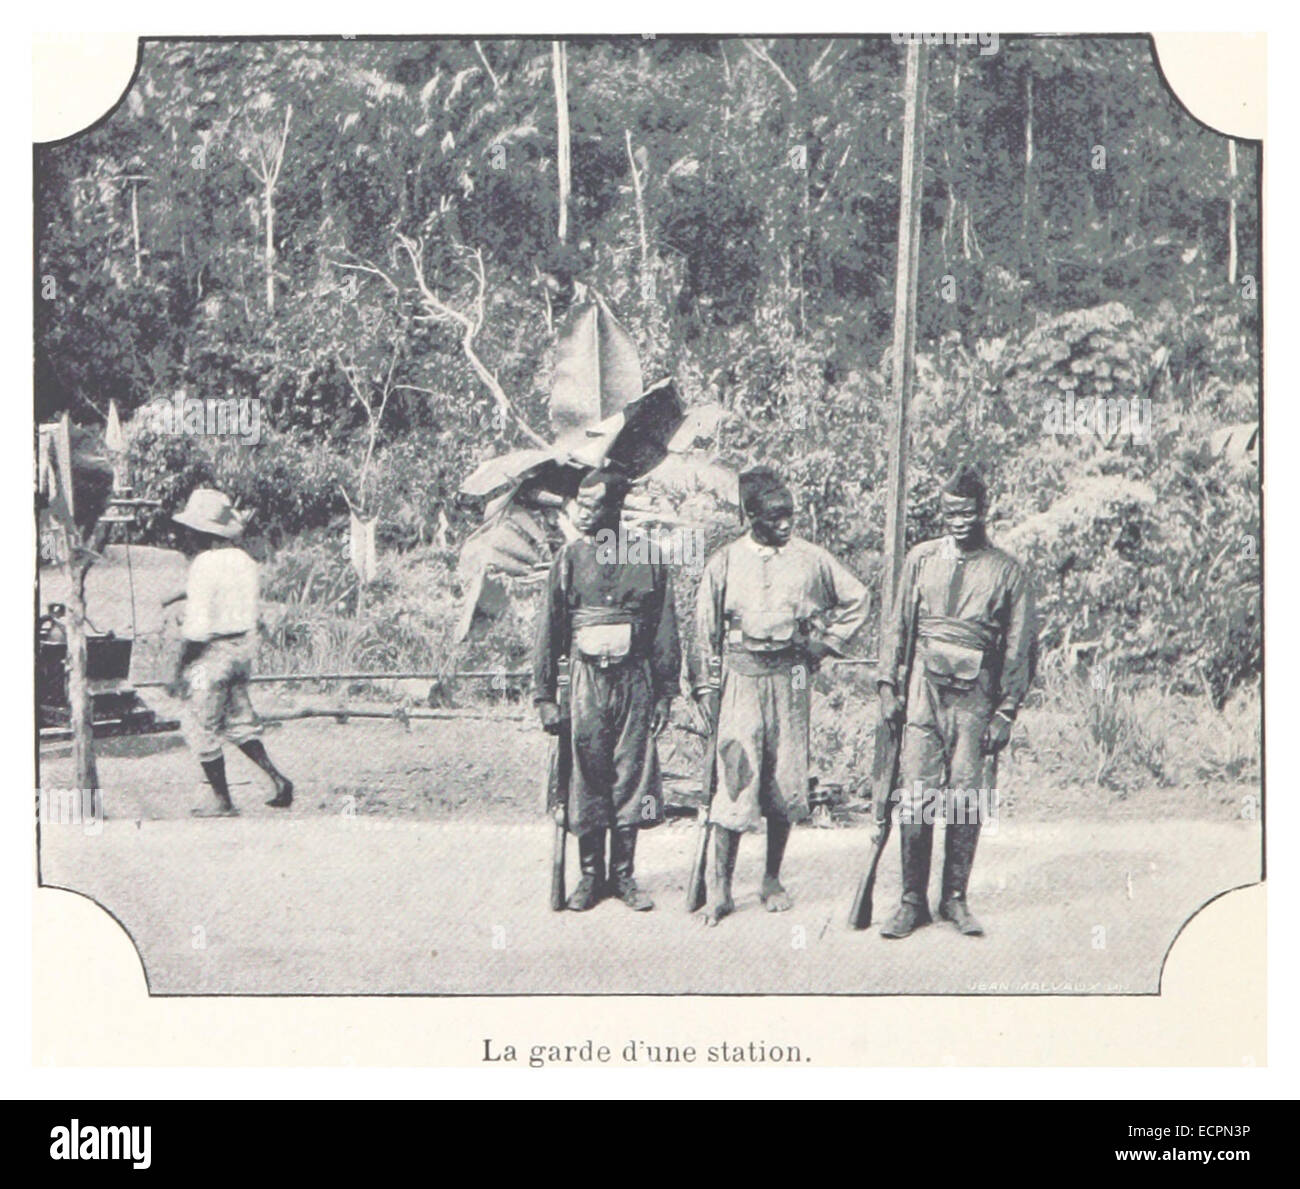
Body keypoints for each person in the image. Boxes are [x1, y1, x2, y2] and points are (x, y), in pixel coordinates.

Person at [691, 466, 869, 926]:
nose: (786, 524)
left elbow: (857, 598)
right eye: (774, 517)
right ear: (750, 516)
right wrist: (707, 688)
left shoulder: (811, 558)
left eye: (790, 515)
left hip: (790, 678)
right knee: (734, 775)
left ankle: (771, 879)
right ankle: (721, 890)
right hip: (740, 677)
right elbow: (703, 631)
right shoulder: (725, 561)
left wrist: (823, 644)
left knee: (784, 778)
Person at [876, 464, 1037, 939]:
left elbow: (1020, 645)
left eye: (967, 513)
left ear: (984, 511)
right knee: (916, 796)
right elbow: (897, 626)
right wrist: (888, 685)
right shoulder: (921, 559)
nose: (958, 521)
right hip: (923, 695)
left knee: (966, 798)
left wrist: (1007, 710)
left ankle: (955, 899)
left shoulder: (1008, 571)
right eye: (950, 513)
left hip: (976, 696)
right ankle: (911, 901)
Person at [533, 467, 680, 911]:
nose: (582, 512)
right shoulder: (569, 559)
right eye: (581, 502)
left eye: (595, 505)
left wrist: (664, 692)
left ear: (616, 509)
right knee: (586, 775)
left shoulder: (648, 557)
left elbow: (664, 630)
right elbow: (549, 631)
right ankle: (590, 876)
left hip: (634, 681)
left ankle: (624, 877)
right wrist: (544, 697)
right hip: (585, 682)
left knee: (630, 777)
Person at [166, 488, 292, 817]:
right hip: (242, 649)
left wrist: (178, 669)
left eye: (190, 531)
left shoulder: (204, 564)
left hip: (213, 654)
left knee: (200, 726)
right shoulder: (245, 562)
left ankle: (222, 800)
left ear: (201, 532)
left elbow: (196, 630)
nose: (187, 537)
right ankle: (277, 780)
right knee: (238, 722)